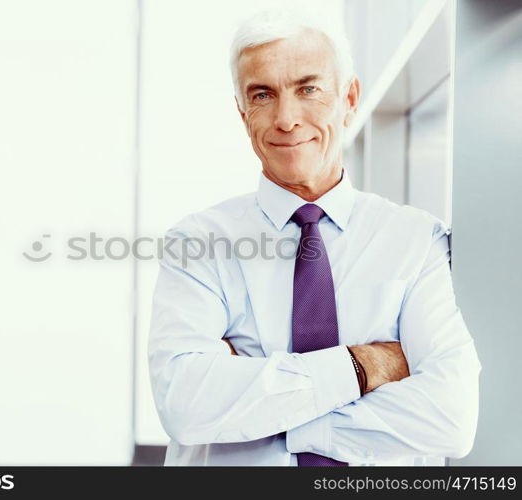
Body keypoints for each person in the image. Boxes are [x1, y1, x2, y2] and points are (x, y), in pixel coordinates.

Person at [147, 8, 481, 466]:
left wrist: (262, 408)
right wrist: (365, 366)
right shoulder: (198, 243)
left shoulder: (417, 241)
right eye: (263, 94)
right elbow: (186, 405)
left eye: (308, 89)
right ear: (242, 112)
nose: (286, 119)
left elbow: (450, 418)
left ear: (349, 98)